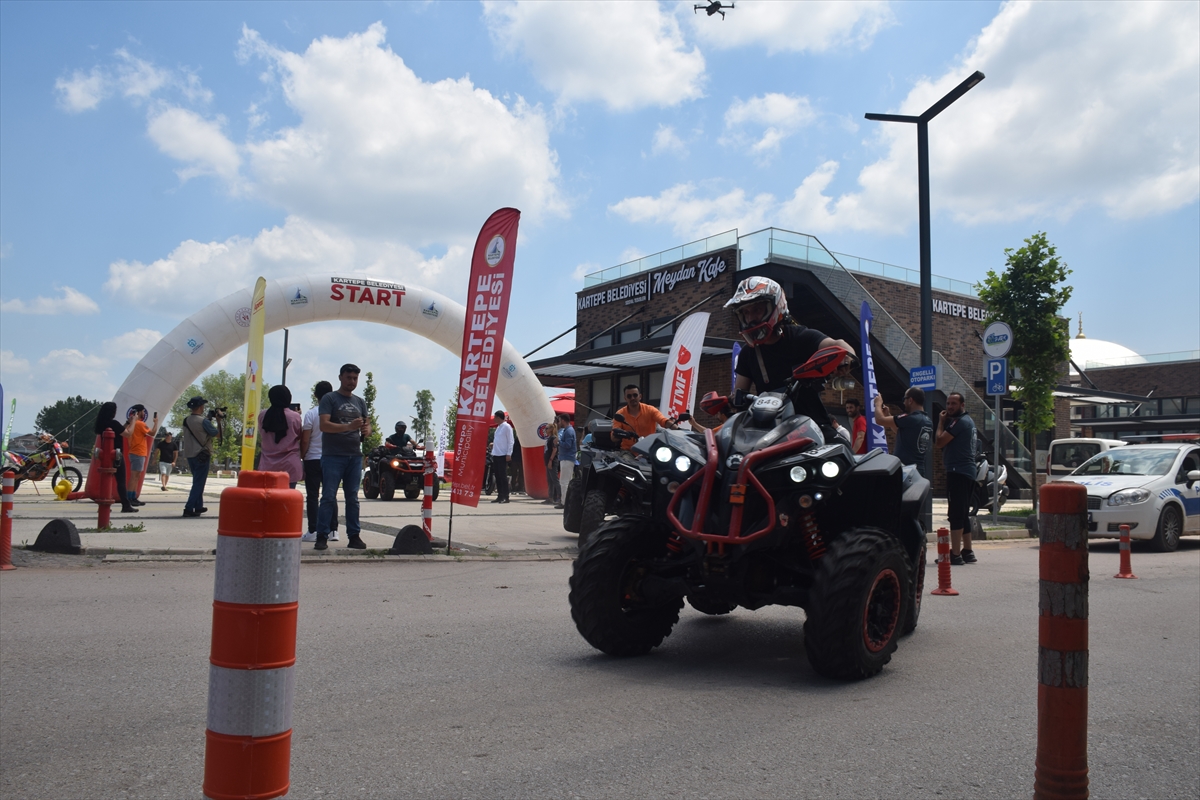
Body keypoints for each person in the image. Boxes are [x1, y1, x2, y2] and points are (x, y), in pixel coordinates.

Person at [726, 276, 855, 435]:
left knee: (840, 446)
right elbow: (739, 394)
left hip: (812, 426)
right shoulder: (748, 352)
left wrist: (846, 357)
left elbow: (837, 344)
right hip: (768, 432)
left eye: (757, 310)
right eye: (746, 312)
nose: (751, 318)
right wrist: (730, 402)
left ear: (776, 306)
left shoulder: (799, 337)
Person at [316, 364, 371, 551]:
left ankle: (354, 536)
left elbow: (367, 425)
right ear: (340, 377)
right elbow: (324, 425)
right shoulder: (330, 398)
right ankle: (322, 536)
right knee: (328, 497)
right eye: (349, 378)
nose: (352, 382)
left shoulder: (360, 401)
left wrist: (366, 429)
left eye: (355, 378)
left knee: (353, 498)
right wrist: (348, 427)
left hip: (354, 456)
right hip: (333, 455)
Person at [936, 391, 978, 565]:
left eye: (954, 404)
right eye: (948, 403)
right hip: (967, 471)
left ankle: (954, 554)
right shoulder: (968, 421)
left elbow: (939, 441)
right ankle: (967, 551)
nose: (949, 407)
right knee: (963, 512)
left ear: (962, 405)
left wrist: (940, 422)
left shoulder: (959, 422)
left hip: (958, 471)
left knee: (955, 514)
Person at [301, 381, 338, 543]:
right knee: (330, 495)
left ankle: (313, 530)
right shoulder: (335, 414)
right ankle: (333, 530)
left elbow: (305, 440)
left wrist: (302, 456)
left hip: (312, 459)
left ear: (315, 395)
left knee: (312, 496)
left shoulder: (311, 414)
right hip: (331, 458)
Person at [873, 387, 933, 476]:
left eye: (904, 399)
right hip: (918, 469)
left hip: (906, 469)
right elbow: (900, 432)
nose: (903, 402)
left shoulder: (912, 418)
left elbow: (879, 420)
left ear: (910, 400)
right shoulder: (927, 421)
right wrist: (888, 415)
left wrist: (878, 404)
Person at [93, 402, 138, 514]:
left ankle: (103, 504)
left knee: (106, 480)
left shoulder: (102, 424)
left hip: (105, 455)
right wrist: (133, 421)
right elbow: (128, 434)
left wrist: (127, 422)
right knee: (121, 481)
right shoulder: (113, 423)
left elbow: (119, 431)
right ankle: (126, 505)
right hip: (116, 455)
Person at [180, 396, 220, 518]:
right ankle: (188, 508)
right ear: (200, 407)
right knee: (199, 483)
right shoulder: (204, 421)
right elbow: (217, 434)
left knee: (197, 480)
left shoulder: (186, 420)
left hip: (190, 454)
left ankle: (198, 506)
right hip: (202, 454)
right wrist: (218, 421)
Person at [259, 385, 303, 489]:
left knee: (268, 497)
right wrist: (297, 415)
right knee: (287, 498)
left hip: (267, 465)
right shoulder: (294, 417)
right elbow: (299, 436)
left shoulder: (262, 415)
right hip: (289, 466)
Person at [612, 384, 678, 449]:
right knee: (624, 456)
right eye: (629, 396)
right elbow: (613, 437)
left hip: (649, 449)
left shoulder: (650, 410)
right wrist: (622, 434)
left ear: (640, 396)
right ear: (625, 398)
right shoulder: (620, 414)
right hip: (629, 450)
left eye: (635, 395)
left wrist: (675, 428)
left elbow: (663, 420)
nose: (632, 398)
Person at [123, 404, 158, 506]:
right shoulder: (140, 424)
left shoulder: (132, 424)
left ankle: (133, 496)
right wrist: (156, 423)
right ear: (139, 412)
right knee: (134, 476)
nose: (144, 413)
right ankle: (130, 497)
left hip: (135, 452)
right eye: (143, 411)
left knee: (136, 476)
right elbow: (152, 433)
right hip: (138, 452)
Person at [490, 410, 514, 504]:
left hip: (503, 454)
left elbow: (510, 441)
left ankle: (506, 496)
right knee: (498, 476)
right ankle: (500, 495)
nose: (494, 419)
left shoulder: (507, 427)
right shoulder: (498, 427)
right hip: (496, 453)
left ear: (499, 417)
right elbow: (500, 440)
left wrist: (509, 453)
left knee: (503, 476)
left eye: (495, 417)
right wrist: (493, 444)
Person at [555, 413, 576, 510]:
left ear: (563, 420)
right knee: (567, 481)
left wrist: (559, 442)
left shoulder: (568, 431)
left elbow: (568, 444)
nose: (559, 423)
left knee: (564, 482)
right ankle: (567, 502)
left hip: (567, 458)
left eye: (560, 421)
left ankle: (564, 502)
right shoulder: (569, 430)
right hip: (567, 458)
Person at [542, 418, 559, 504]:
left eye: (547, 428)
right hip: (548, 461)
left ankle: (559, 497)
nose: (545, 430)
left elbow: (554, 450)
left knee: (555, 479)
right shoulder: (549, 438)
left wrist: (551, 460)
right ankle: (550, 497)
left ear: (551, 429)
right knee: (550, 480)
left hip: (552, 461)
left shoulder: (553, 438)